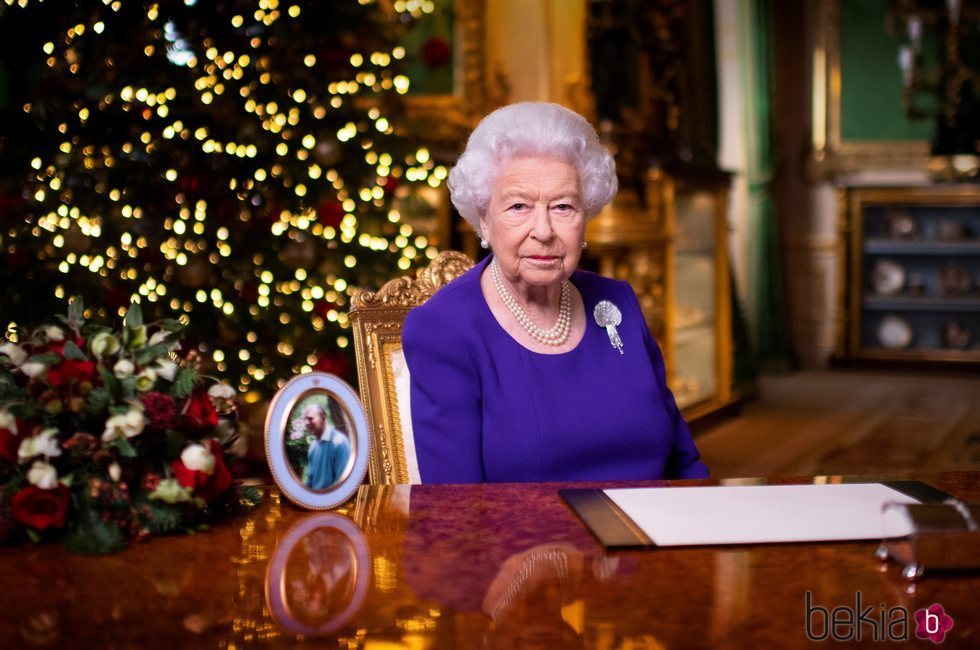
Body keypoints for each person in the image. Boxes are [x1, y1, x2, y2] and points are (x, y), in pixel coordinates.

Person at [402, 101, 708, 483]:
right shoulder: (444, 329)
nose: (543, 230)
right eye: (518, 206)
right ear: (484, 218)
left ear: (586, 216)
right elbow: (456, 511)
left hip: (651, 535)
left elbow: (684, 463)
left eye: (563, 206)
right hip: (528, 543)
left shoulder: (618, 303)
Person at [303, 404, 351, 489]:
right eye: (305, 419)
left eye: (310, 419)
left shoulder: (339, 443)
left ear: (323, 418)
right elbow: (310, 481)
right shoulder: (313, 447)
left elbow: (343, 484)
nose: (307, 423)